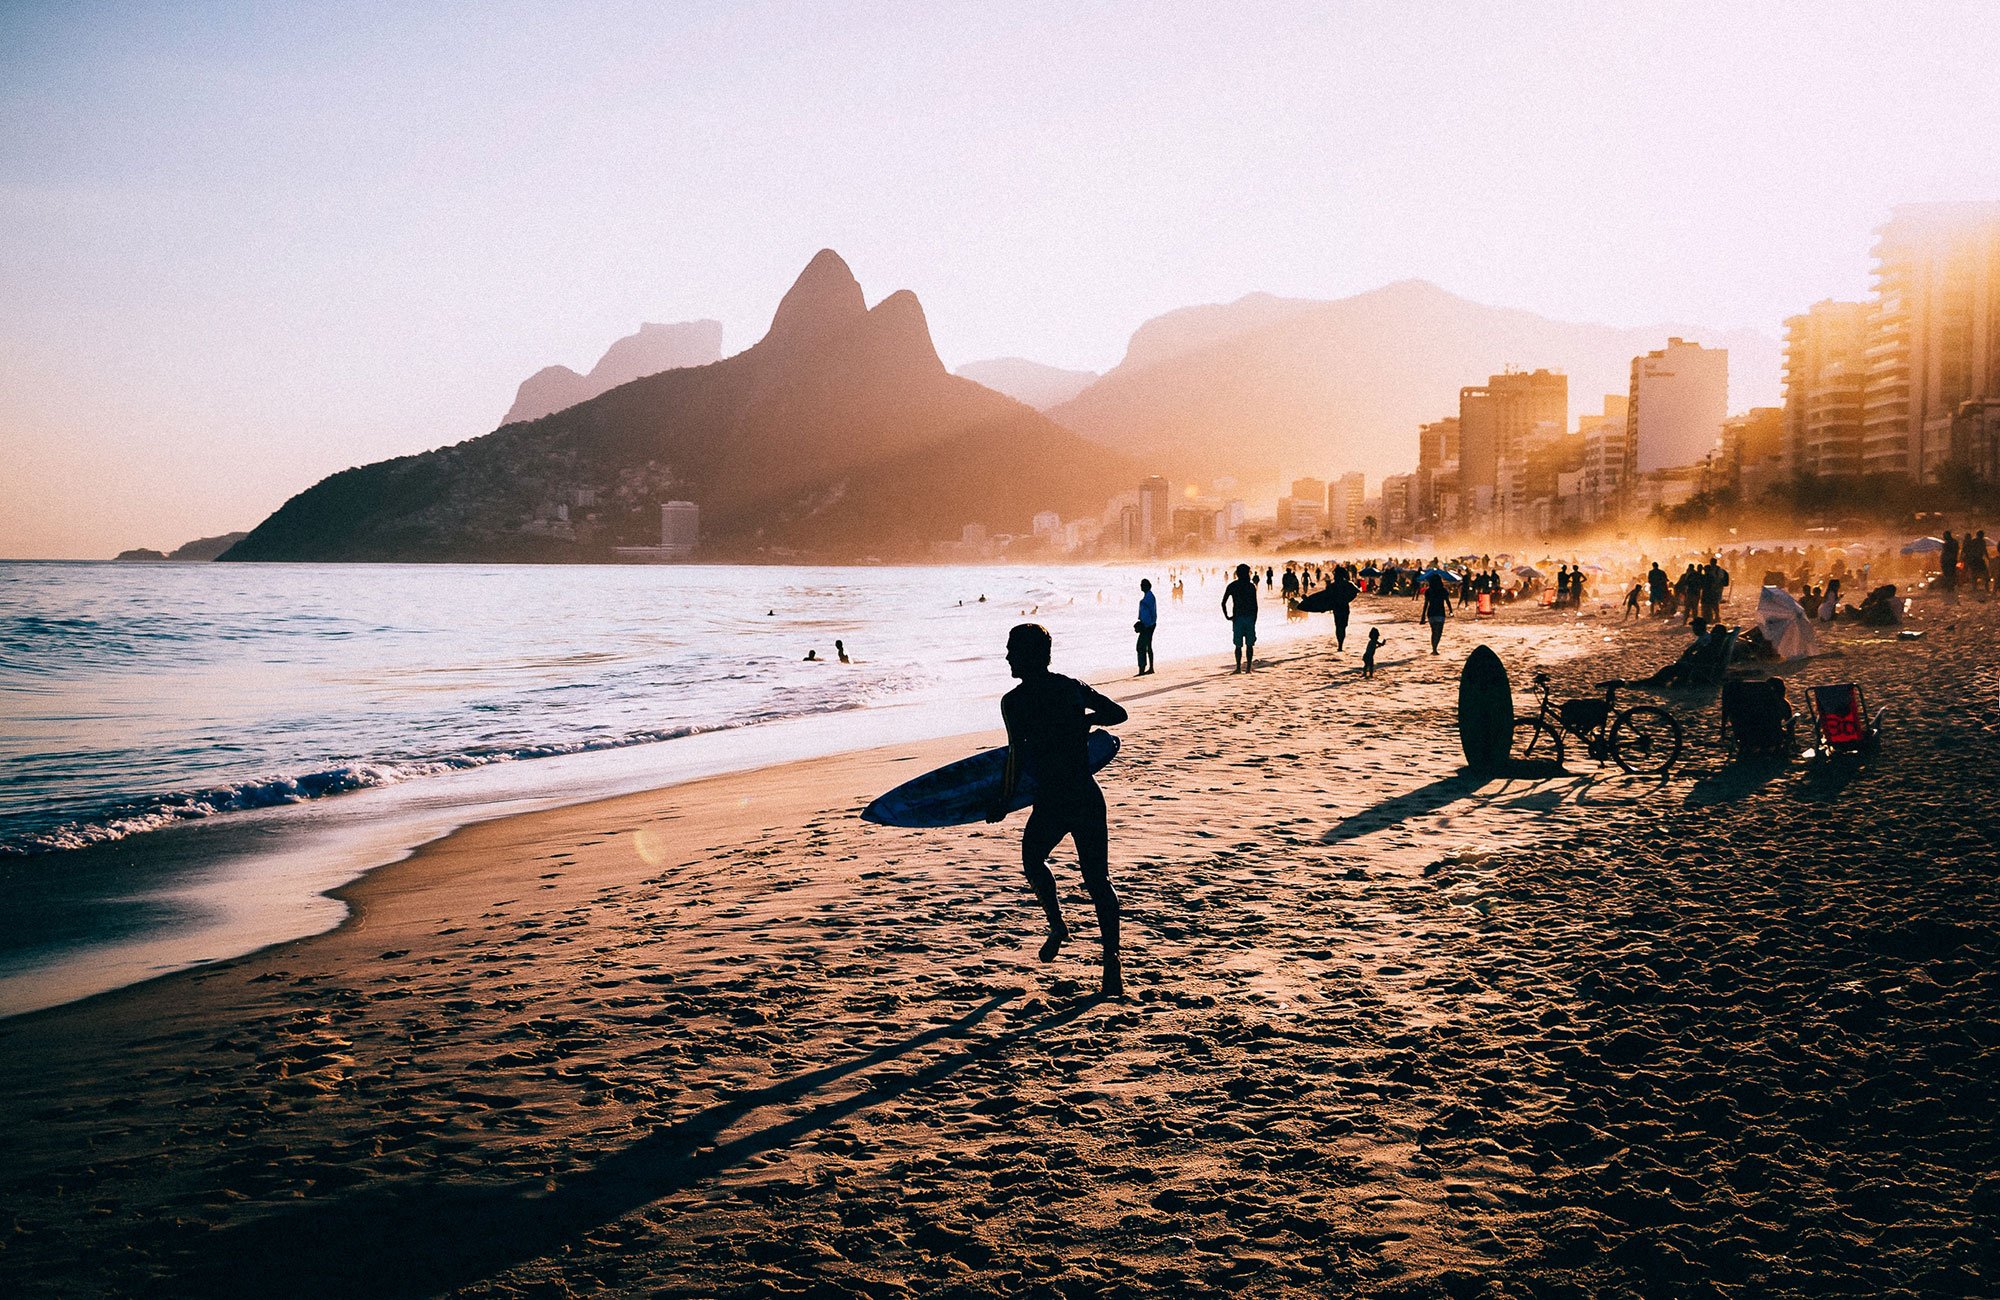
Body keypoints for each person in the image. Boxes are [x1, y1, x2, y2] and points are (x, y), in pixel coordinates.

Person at [987, 623, 1129, 998]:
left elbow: (1016, 756)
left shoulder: (1013, 702)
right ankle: (1109, 959)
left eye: (1011, 650)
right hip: (1083, 794)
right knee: (1098, 880)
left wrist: (1003, 801)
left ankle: (1059, 925)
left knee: (1034, 862)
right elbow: (1117, 714)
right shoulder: (1071, 687)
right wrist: (1087, 720)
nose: (1006, 657)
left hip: (1051, 800)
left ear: (1028, 654)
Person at [1222, 563, 1258, 673]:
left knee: (1238, 645)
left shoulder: (1233, 586)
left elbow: (1223, 603)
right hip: (1249, 618)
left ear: (1237, 573)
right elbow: (1255, 605)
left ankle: (1238, 668)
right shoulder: (1251, 586)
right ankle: (1248, 668)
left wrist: (1228, 616)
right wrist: (1254, 619)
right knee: (1249, 645)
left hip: (1237, 618)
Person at [1420, 571, 1453, 655]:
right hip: (1440, 612)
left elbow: (1426, 604)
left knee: (1433, 631)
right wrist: (1451, 611)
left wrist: (1423, 616)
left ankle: (1434, 648)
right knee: (1439, 632)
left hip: (1431, 612)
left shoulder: (1428, 591)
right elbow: (1447, 601)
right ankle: (1435, 648)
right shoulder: (1443, 590)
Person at [1328, 565, 1360, 651]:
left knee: (1338, 626)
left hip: (1336, 607)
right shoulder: (1348, 584)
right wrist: (1347, 599)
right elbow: (1356, 591)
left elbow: (1327, 597)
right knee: (1343, 626)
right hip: (1344, 607)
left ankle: (1340, 644)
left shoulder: (1332, 586)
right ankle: (1340, 644)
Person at [1134, 578, 1157, 676]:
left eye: (1142, 585)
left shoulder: (1149, 597)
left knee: (1142, 646)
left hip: (1148, 626)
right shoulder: (1148, 596)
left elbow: (1152, 612)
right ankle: (1147, 668)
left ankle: (1146, 669)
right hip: (1146, 625)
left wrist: (1148, 625)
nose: (1141, 586)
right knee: (1146, 646)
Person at [1966, 529, 1991, 594]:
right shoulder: (1982, 542)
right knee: (1984, 575)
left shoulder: (1974, 541)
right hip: (1978, 559)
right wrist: (1988, 558)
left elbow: (1970, 551)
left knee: (1975, 575)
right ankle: (1986, 588)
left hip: (1974, 560)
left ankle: (1975, 588)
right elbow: (1984, 551)